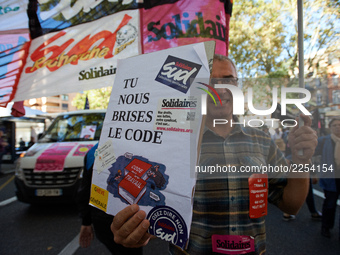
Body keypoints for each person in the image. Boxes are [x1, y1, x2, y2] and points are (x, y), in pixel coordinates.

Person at [109, 55, 318, 254]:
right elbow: (156, 213)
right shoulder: (173, 143)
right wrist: (138, 231)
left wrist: (301, 159)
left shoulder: (261, 140)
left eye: (228, 80)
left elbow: (291, 204)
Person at [77, 143, 143, 255]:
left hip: (102, 220)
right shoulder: (137, 148)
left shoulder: (94, 151)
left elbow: (85, 190)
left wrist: (86, 222)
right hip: (128, 217)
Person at [314, 118, 340, 238]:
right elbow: (309, 153)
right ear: (330, 127)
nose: (337, 127)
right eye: (334, 125)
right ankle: (326, 227)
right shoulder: (323, 141)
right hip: (331, 178)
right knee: (329, 205)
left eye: (339, 125)